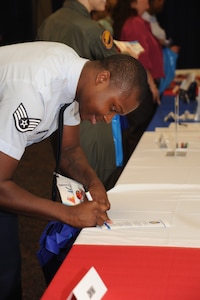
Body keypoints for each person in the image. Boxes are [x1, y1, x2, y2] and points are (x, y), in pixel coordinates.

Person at [0, 41, 148, 299]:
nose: (108, 118)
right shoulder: (34, 89)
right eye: (113, 108)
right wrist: (67, 214)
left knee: (8, 269)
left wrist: (93, 183)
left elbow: (69, 150)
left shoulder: (73, 75)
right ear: (102, 78)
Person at [37, 0, 122, 190]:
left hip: (55, 118)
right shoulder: (92, 29)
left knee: (70, 184)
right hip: (90, 119)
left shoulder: (48, 22)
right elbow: (120, 72)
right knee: (98, 181)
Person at [112, 0, 164, 159]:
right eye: (144, 0)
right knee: (140, 131)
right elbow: (141, 58)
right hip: (141, 85)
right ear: (133, 3)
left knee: (139, 131)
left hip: (139, 83)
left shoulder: (137, 22)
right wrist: (152, 86)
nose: (148, 4)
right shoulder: (134, 24)